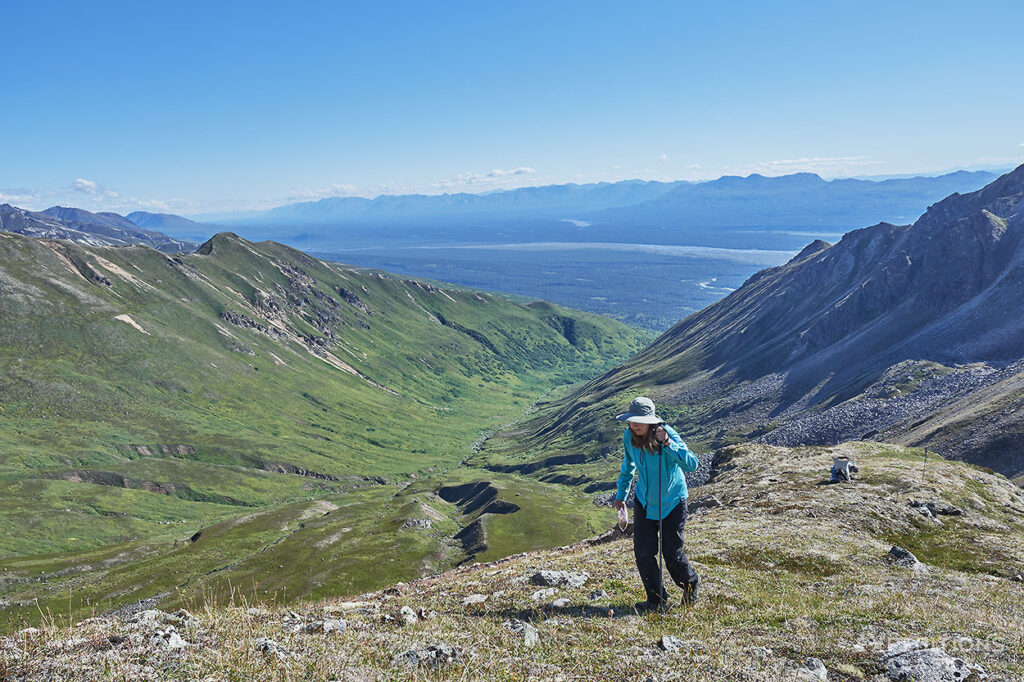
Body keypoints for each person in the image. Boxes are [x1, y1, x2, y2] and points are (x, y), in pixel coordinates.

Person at [613, 396, 701, 612]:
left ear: (652, 421)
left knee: (672, 553)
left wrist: (668, 444)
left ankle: (690, 584)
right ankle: (656, 600)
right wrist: (621, 494)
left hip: (672, 502)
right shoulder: (629, 436)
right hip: (644, 500)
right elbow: (628, 464)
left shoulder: (666, 435)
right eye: (632, 420)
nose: (634, 424)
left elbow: (692, 464)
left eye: (640, 420)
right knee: (643, 552)